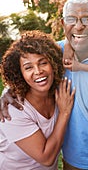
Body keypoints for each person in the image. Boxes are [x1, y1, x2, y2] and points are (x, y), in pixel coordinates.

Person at [0, 0, 88, 169]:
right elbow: (26, 69)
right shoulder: (53, 55)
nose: (79, 26)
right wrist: (9, 90)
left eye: (87, 19)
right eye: (71, 19)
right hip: (70, 164)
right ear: (63, 23)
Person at [0, 30, 75, 169]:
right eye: (28, 67)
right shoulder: (13, 109)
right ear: (20, 73)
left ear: (53, 64)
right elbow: (46, 158)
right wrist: (64, 113)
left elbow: (76, 38)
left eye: (43, 63)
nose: (38, 71)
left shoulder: (57, 92)